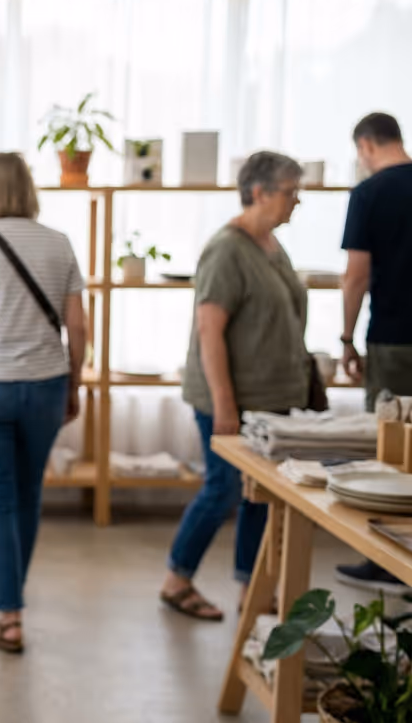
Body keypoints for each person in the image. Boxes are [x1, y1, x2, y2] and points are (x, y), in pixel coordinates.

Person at [161, 152, 309, 621]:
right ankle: (177, 579)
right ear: (260, 192)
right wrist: (225, 406)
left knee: (259, 497)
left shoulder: (270, 243)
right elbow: (210, 331)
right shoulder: (227, 248)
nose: (297, 201)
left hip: (273, 400)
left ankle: (251, 589)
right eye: (291, 191)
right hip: (232, 401)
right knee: (223, 489)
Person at [0, 152, 86, 654]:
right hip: (47, 383)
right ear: (29, 189)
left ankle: (9, 614)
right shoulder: (60, 244)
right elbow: (78, 327)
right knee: (29, 495)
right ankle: (15, 600)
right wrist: (73, 386)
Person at [334, 112, 412, 594]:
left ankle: (385, 560)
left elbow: (356, 275)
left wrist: (346, 338)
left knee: (390, 451)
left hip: (393, 338)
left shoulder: (369, 194)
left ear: (365, 146)